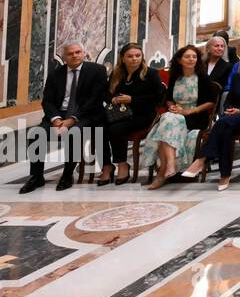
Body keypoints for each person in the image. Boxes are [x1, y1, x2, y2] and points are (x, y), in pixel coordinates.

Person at [21, 42, 109, 193]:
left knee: (74, 133)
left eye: (78, 52)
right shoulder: (56, 74)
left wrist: (73, 119)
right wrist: (55, 119)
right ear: (64, 57)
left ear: (83, 53)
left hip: (86, 115)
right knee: (36, 133)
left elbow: (95, 99)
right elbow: (47, 100)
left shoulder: (97, 71)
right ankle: (36, 177)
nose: (75, 55)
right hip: (59, 114)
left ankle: (67, 175)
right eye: (70, 53)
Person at [180, 44, 240, 190]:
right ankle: (224, 174)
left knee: (223, 123)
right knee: (225, 129)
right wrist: (228, 109)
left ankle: (202, 159)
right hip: (233, 118)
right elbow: (229, 99)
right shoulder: (237, 77)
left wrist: (239, 111)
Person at [141, 45, 219, 190]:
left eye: (194, 57)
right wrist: (172, 107)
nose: (191, 59)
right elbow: (168, 99)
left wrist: (189, 111)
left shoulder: (202, 77)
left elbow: (210, 102)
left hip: (195, 116)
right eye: (187, 57)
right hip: (176, 114)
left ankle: (162, 173)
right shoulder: (175, 77)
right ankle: (170, 165)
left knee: (167, 122)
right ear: (179, 60)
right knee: (169, 119)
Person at [99, 43, 163, 186]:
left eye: (137, 56)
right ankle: (107, 165)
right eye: (130, 56)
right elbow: (105, 94)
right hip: (120, 113)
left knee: (115, 129)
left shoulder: (151, 73)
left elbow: (158, 98)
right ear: (122, 58)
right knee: (98, 126)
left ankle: (123, 164)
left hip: (143, 115)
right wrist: (112, 99)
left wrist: (132, 99)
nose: (134, 59)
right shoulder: (117, 73)